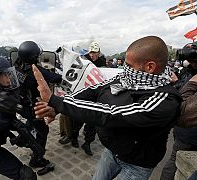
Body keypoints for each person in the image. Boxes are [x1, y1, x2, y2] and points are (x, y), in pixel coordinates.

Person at [33, 36, 182, 179]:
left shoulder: (164, 100)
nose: (125, 69)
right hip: (112, 152)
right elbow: (95, 90)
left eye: (129, 66)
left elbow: (110, 113)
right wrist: (57, 107)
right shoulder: (126, 79)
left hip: (137, 164)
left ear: (150, 67)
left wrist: (55, 101)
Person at [15, 41, 61, 169]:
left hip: (21, 103)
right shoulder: (35, 71)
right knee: (43, 130)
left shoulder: (17, 67)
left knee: (30, 123)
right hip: (33, 106)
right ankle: (37, 159)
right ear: (33, 57)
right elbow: (56, 78)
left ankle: (22, 138)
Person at [160, 44, 197, 180]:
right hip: (186, 134)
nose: (192, 63)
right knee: (173, 163)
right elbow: (180, 100)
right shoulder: (188, 73)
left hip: (188, 133)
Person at [70, 41, 106, 155]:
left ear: (99, 53)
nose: (92, 55)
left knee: (92, 123)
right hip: (84, 95)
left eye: (94, 53)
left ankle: (88, 143)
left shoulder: (102, 61)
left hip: (96, 97)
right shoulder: (83, 59)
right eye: (90, 53)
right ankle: (74, 137)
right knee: (77, 120)